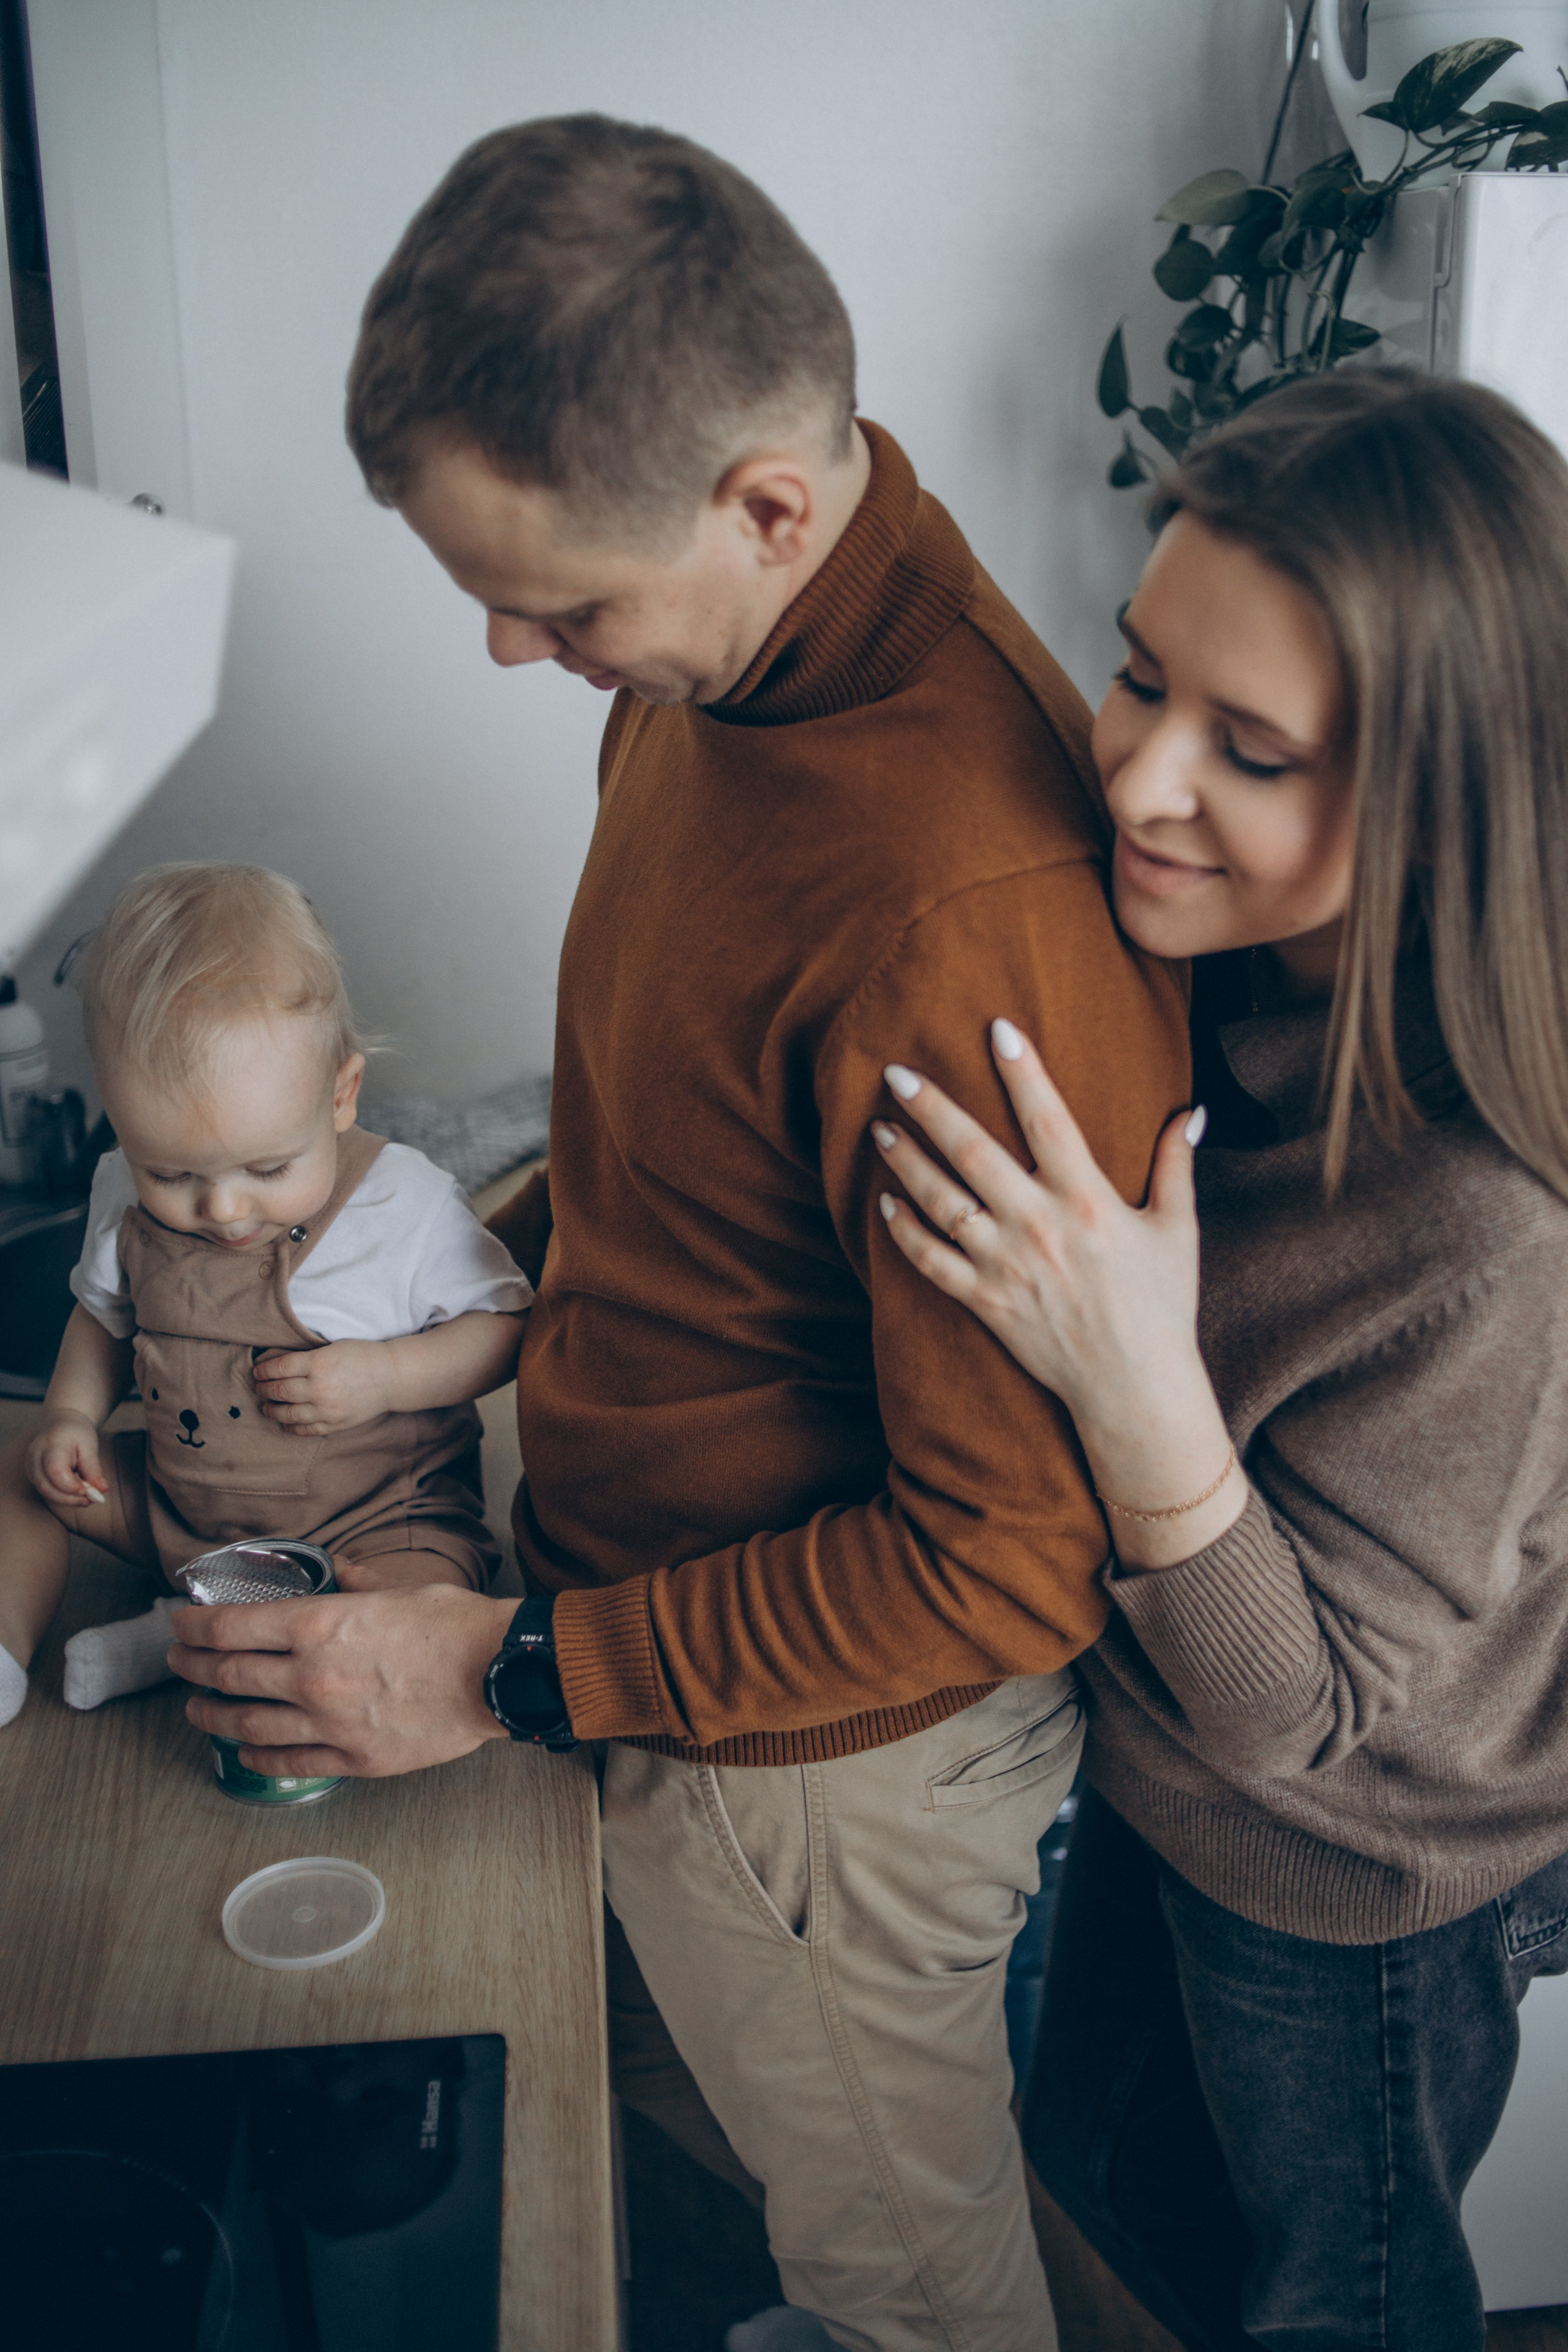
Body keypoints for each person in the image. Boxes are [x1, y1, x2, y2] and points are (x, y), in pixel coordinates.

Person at [166, 115, 1189, 2351]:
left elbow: (1004, 1565)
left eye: (563, 604)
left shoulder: (965, 913)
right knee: (773, 2194)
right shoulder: (716, 674)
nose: (515, 651)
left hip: (818, 1781)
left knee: (919, 2299)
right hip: (652, 1670)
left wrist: (508, 1673)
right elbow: (684, 1131)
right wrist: (428, 1259)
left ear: (768, 508)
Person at [872, 369, 1568, 2352]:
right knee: (1105, 2178)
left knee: (1333, 2301)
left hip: (1359, 1875)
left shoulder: (1493, 1223)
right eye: (1135, 672)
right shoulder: (1225, 945)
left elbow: (1305, 1717)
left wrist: (1135, 1381)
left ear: (1446, 805)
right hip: (1156, 1771)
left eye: (1250, 750)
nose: (1140, 777)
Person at [0, 861, 530, 1728]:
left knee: (418, 1611)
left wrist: (385, 1377)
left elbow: (507, 1329)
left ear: (340, 1095)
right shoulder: (118, 1192)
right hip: (179, 1516)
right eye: (172, 1173)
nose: (222, 1209)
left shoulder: (401, 1204)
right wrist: (69, 1418)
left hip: (375, 1526)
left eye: (269, 1168)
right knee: (19, 1471)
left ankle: (179, 1636)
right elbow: (101, 1320)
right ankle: (11, 1647)